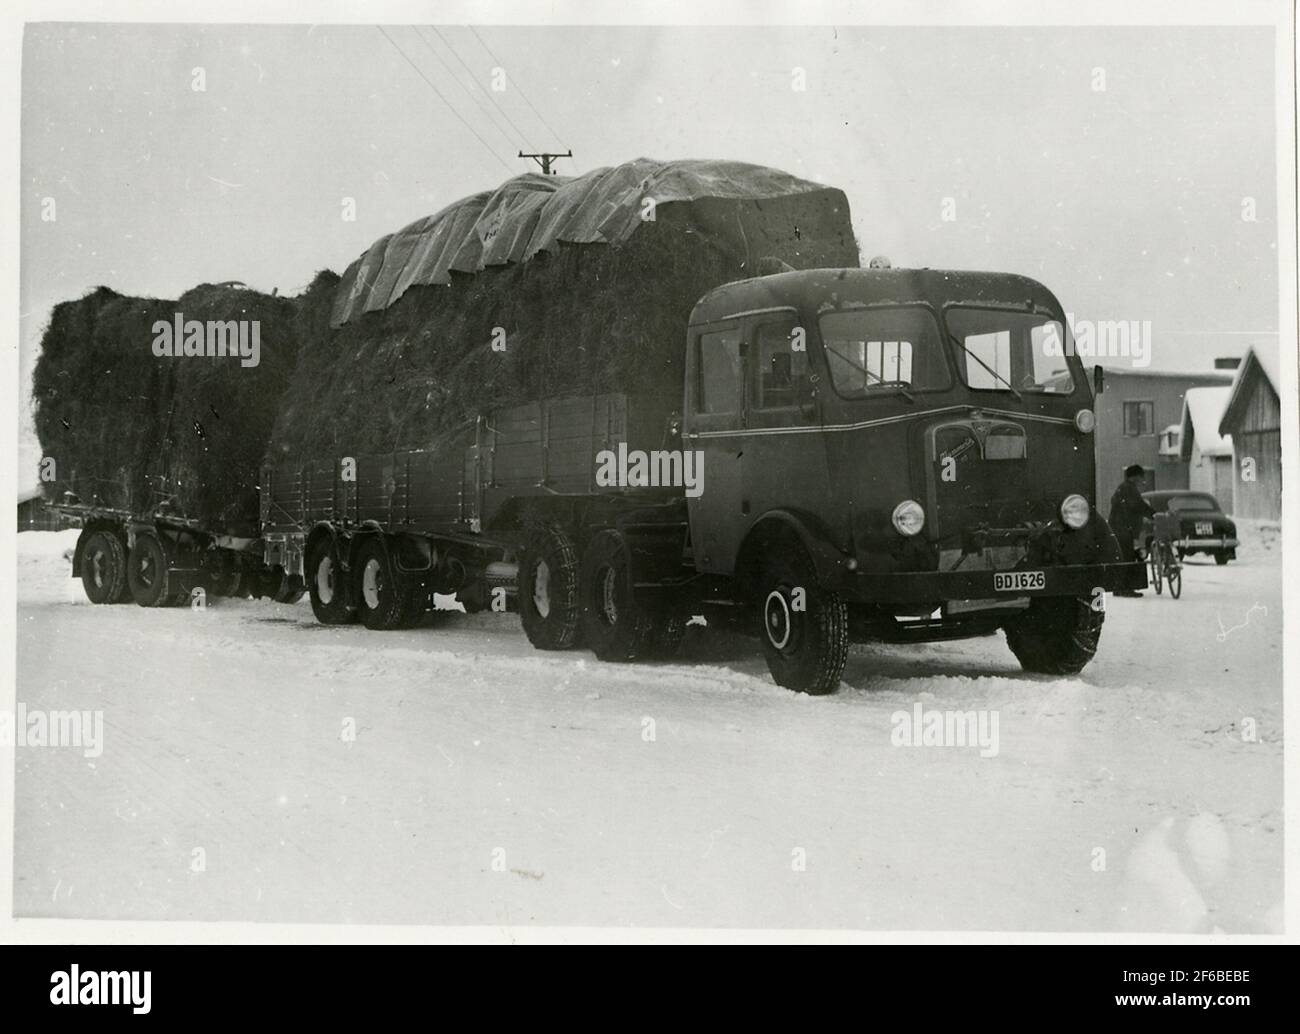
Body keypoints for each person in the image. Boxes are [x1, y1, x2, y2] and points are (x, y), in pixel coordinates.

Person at [1109, 464, 1155, 597]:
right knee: (1127, 557)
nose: (1142, 480)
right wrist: (1153, 514)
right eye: (1141, 476)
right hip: (1123, 528)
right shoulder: (1129, 489)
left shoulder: (1124, 488)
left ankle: (1119, 588)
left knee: (1123, 557)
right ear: (1135, 477)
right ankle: (1125, 589)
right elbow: (1138, 505)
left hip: (1119, 527)